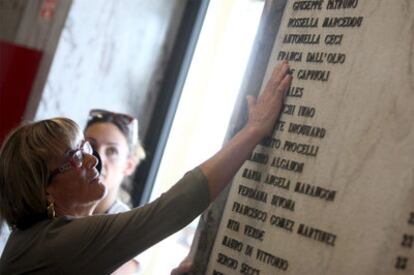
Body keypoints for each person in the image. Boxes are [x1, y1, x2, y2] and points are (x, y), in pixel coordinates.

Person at [0, 61, 291, 274]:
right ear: (44, 191)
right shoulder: (56, 242)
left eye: (84, 148)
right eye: (75, 158)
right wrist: (253, 130)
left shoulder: (39, 240)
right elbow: (170, 211)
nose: (93, 159)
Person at [84, 109, 145, 274]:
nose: (98, 158)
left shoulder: (129, 230)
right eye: (90, 146)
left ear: (128, 166)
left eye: (112, 151)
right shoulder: (53, 204)